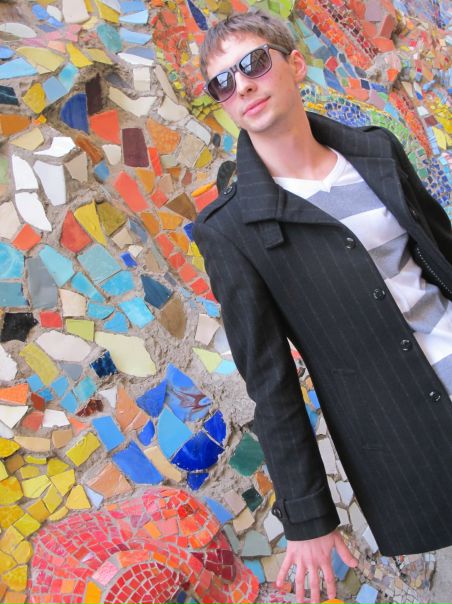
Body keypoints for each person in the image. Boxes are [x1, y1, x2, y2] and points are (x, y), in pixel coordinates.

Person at [193, 9, 452, 604]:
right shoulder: (230, 231)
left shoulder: (376, 150)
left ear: (295, 65)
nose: (242, 86)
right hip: (418, 430)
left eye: (254, 63)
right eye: (223, 83)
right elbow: (270, 380)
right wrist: (308, 517)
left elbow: (442, 253)